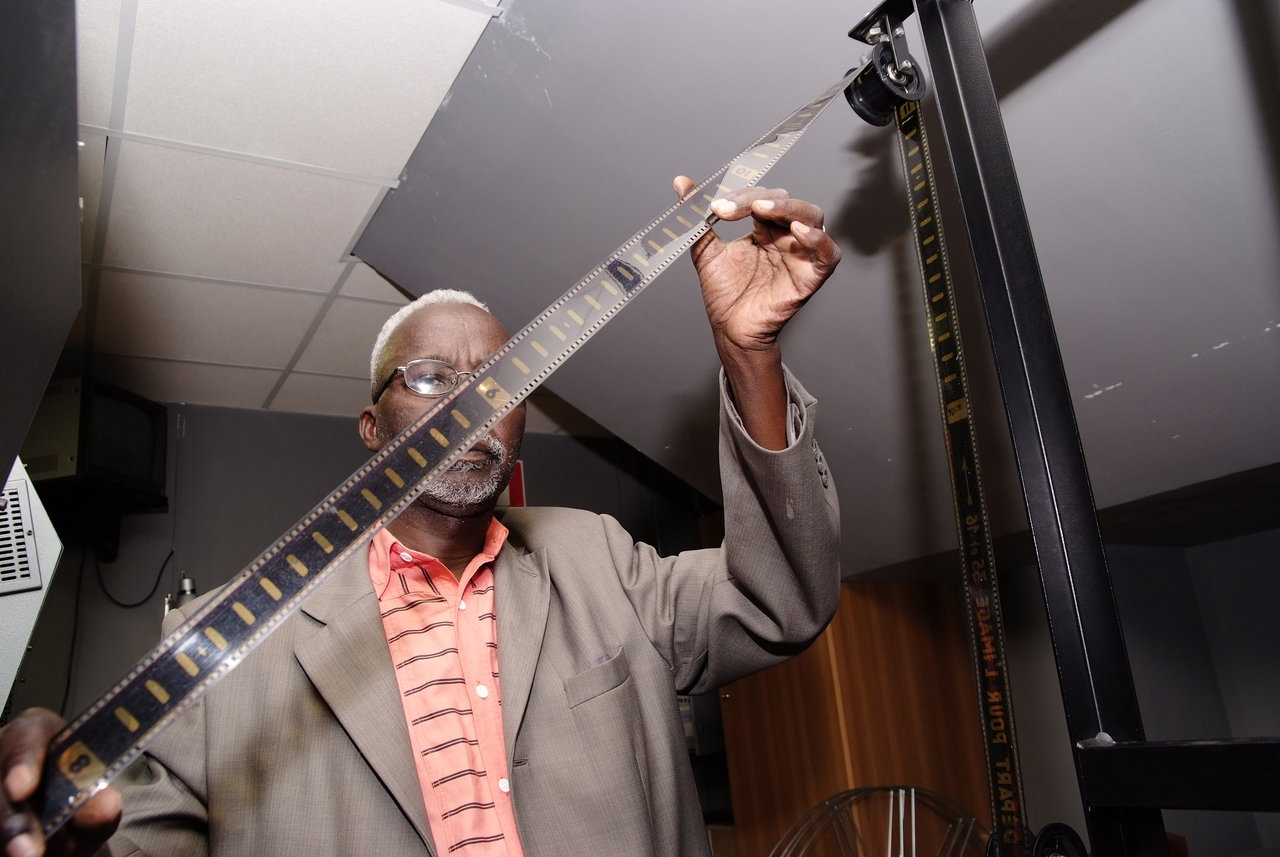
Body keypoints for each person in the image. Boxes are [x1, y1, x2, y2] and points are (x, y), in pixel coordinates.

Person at [0, 178, 843, 857]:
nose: (472, 408)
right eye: (433, 379)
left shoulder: (602, 562)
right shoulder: (221, 644)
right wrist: (58, 821)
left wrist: (750, 354)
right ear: (374, 430)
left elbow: (780, 601)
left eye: (502, 384)